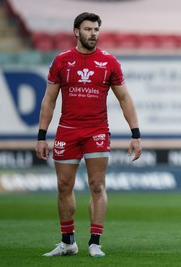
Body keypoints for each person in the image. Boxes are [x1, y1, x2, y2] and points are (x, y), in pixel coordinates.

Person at [35, 12, 142, 257]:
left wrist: (135, 134)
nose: (93, 33)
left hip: (97, 131)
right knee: (64, 186)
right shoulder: (61, 61)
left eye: (95, 29)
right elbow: (49, 100)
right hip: (67, 131)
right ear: (76, 32)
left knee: (96, 185)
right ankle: (68, 242)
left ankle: (95, 242)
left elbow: (124, 98)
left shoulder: (109, 62)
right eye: (88, 29)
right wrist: (41, 136)